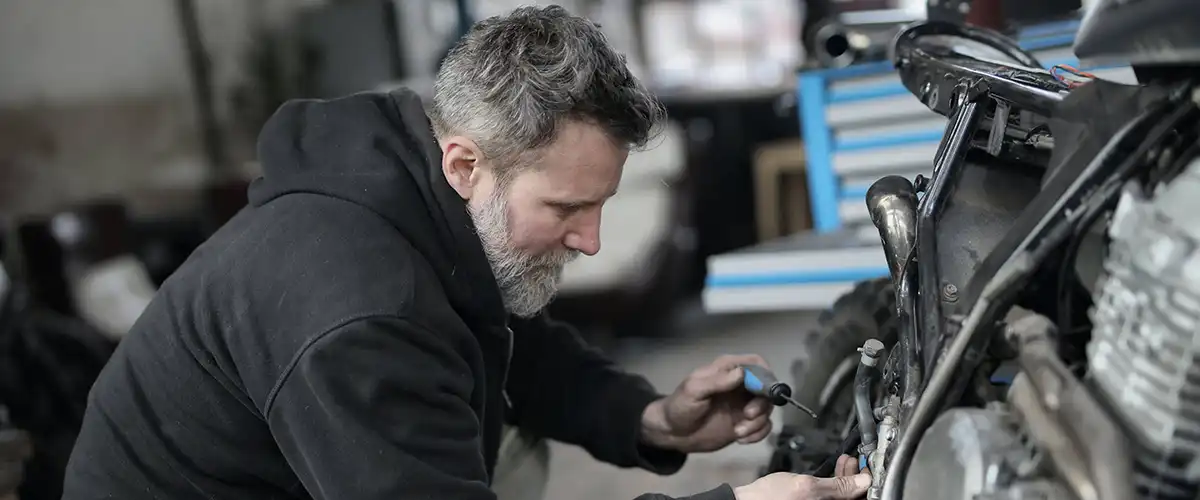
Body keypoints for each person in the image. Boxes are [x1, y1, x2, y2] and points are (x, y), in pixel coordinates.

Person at [62, 5, 870, 500]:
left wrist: (653, 419)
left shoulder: (414, 198)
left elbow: (503, 338)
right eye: (568, 208)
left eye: (601, 206)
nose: (589, 240)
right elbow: (416, 333)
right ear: (464, 163)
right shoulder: (358, 310)